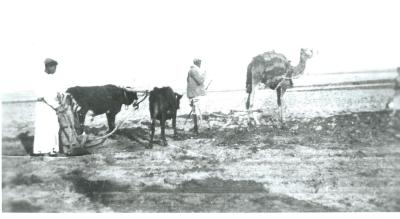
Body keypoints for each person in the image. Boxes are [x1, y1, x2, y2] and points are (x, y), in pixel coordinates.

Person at [33, 58, 62, 155]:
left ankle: (52, 150)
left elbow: (53, 92)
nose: (55, 70)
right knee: (45, 128)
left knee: (53, 127)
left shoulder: (50, 78)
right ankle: (43, 151)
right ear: (49, 66)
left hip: (51, 107)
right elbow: (44, 96)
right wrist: (56, 106)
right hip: (44, 107)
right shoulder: (41, 78)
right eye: (54, 67)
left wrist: (58, 95)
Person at [187, 58, 207, 133]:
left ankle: (196, 128)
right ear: (197, 63)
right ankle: (197, 128)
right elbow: (200, 81)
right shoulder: (194, 70)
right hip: (195, 95)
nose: (200, 64)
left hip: (192, 94)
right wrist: (204, 74)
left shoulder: (191, 70)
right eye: (200, 62)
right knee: (198, 111)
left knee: (194, 111)